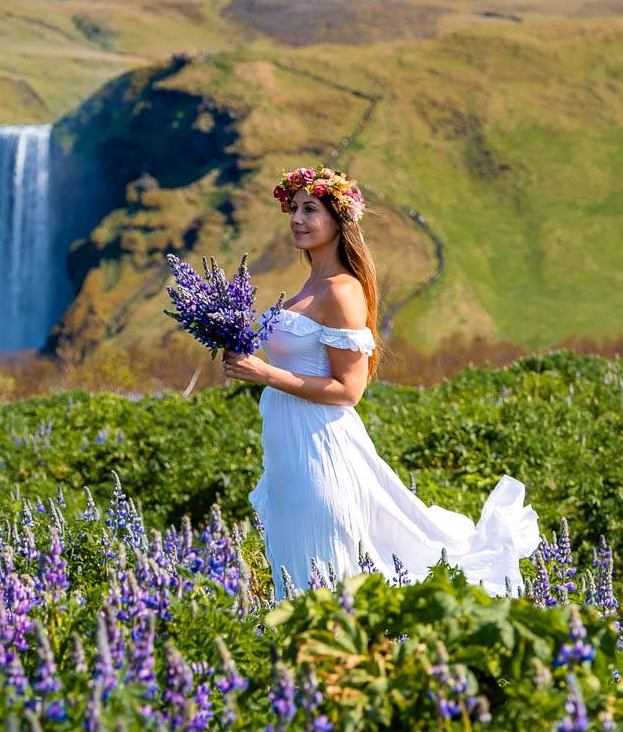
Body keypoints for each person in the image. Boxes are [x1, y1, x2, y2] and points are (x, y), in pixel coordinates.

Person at [222, 163, 540, 603]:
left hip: (320, 449)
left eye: (310, 209)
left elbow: (349, 391)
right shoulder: (306, 288)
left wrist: (264, 373)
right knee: (294, 574)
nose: (297, 218)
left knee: (326, 573)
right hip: (287, 450)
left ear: (339, 220)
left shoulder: (342, 290)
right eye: (293, 208)